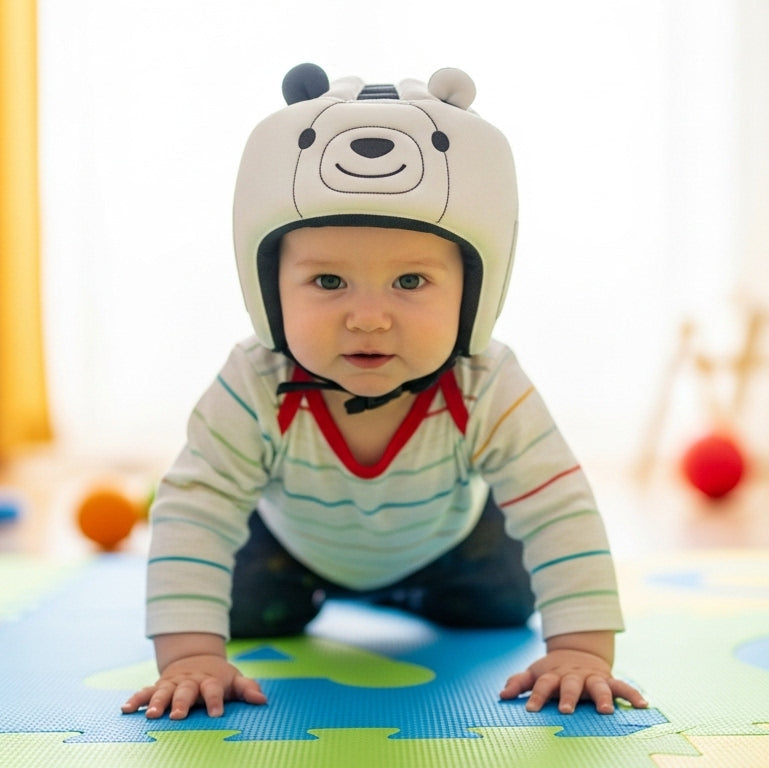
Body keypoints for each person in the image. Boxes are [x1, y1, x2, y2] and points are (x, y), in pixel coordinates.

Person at [122, 64, 648, 722]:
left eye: (409, 282)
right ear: (268, 287)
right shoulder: (255, 380)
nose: (368, 317)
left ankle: (400, 594)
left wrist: (581, 652)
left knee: (501, 608)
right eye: (328, 283)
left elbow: (556, 505)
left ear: (473, 292)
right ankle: (350, 595)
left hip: (449, 543)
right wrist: (190, 658)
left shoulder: (483, 381)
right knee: (246, 615)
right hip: (294, 549)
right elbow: (195, 508)